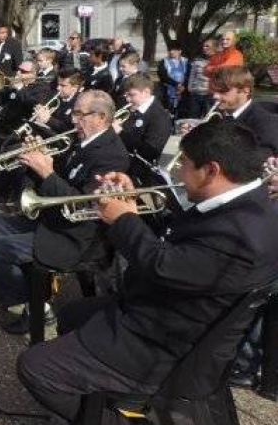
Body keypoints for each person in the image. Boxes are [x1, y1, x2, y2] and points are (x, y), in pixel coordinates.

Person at [17, 120, 278, 424]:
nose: (177, 170)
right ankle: (94, 391)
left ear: (211, 170)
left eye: (185, 163)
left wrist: (124, 220)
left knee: (34, 367)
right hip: (168, 310)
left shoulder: (241, 236)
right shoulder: (246, 204)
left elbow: (161, 265)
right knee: (72, 315)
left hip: (162, 342)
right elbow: (182, 243)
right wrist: (134, 202)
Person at [0, 91, 131, 331]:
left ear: (101, 117)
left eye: (79, 114)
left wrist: (46, 171)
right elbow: (59, 180)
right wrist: (35, 162)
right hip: (51, 218)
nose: (72, 119)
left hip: (75, 234)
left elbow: (82, 205)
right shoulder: (84, 139)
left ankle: (37, 306)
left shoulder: (111, 155)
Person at [210, 66, 278, 155]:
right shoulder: (218, 115)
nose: (215, 96)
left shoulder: (265, 124)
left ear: (245, 91)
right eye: (214, 91)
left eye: (223, 91)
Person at [112, 73, 172, 165]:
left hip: (137, 168)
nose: (128, 99)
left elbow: (151, 152)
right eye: (126, 95)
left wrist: (120, 133)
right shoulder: (129, 109)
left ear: (146, 92)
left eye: (132, 95)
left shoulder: (160, 116)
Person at [31, 67, 83, 135]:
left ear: (75, 88)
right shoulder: (54, 96)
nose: (58, 88)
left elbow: (71, 130)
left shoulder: (80, 104)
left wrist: (48, 120)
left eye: (63, 85)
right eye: (58, 84)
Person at [185, 37, 217, 118]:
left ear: (214, 47)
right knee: (193, 117)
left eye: (207, 46)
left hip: (209, 95)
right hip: (196, 93)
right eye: (204, 46)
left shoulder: (218, 60)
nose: (204, 48)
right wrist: (190, 87)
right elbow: (192, 75)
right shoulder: (197, 60)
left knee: (208, 118)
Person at [157, 42, 189, 116]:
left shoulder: (186, 61)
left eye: (174, 50)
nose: (171, 52)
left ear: (180, 51)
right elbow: (163, 75)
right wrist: (176, 84)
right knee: (168, 112)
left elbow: (189, 75)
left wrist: (183, 86)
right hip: (168, 91)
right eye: (170, 50)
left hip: (183, 91)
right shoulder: (164, 61)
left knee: (182, 112)